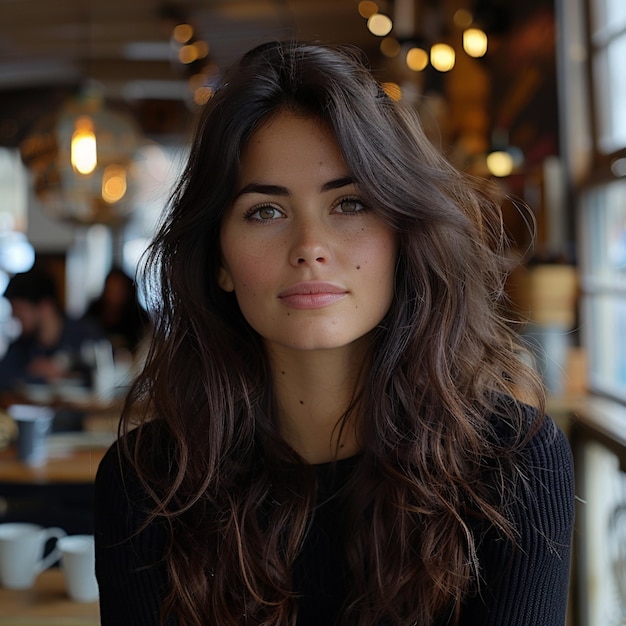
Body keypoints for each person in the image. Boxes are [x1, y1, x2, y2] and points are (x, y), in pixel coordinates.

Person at [94, 41, 575, 626]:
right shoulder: (147, 483)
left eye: (349, 204)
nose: (310, 249)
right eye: (265, 211)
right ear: (218, 258)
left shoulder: (514, 462)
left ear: (402, 233)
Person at [0, 267, 103, 391]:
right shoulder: (21, 346)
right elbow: (3, 378)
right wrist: (32, 372)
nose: (15, 316)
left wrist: (65, 372)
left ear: (45, 306)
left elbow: (105, 376)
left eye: (20, 309)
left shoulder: (85, 334)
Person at [82, 266, 150, 355]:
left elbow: (144, 346)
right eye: (111, 289)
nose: (113, 295)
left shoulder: (138, 316)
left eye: (118, 290)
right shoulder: (94, 310)